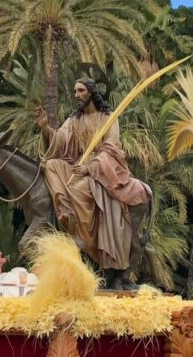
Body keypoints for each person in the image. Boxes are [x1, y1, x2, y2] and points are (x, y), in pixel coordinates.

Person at [37, 78, 150, 275]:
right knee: (51, 165)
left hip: (100, 170)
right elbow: (61, 141)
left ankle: (86, 238)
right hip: (76, 165)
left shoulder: (108, 118)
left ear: (91, 92)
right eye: (74, 91)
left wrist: (90, 168)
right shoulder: (74, 120)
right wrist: (45, 128)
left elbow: (112, 148)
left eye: (80, 91)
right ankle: (64, 208)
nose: (76, 95)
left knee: (77, 188)